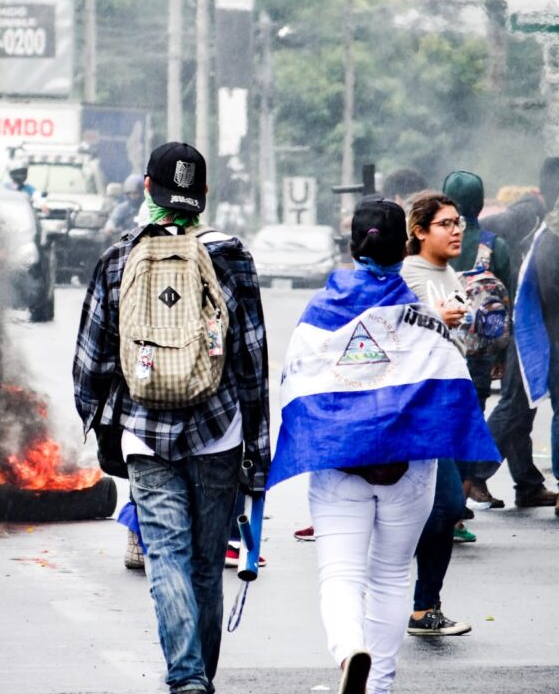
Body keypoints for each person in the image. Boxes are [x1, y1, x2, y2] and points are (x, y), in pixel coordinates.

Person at [269, 196, 499, 694]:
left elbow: (296, 385)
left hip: (340, 467)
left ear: (352, 245)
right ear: (405, 246)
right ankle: (381, 685)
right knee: (393, 575)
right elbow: (451, 390)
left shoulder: (319, 311)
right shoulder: (424, 316)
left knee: (340, 574)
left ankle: (350, 651)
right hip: (409, 471)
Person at [74, 141, 270, 694]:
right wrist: (258, 450)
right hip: (220, 433)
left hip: (146, 435)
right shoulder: (232, 258)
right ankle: (198, 674)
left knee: (165, 556)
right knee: (208, 566)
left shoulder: (118, 259)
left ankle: (186, 678)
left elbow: (90, 362)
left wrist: (102, 423)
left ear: (146, 188)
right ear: (203, 195)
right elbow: (252, 361)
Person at [400, 191, 476, 636]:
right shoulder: (408, 273)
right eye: (445, 223)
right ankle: (420, 606)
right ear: (419, 231)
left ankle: (425, 605)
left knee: (445, 507)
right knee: (445, 503)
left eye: (458, 222)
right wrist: (433, 316)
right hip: (420, 406)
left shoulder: (451, 274)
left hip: (452, 403)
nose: (456, 230)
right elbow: (391, 324)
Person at [484, 158, 559, 509]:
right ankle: (468, 476)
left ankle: (527, 483)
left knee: (522, 406)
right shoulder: (532, 212)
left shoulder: (544, 215)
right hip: (522, 323)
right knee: (515, 405)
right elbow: (486, 229)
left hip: (526, 323)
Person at [441, 171, 512, 510]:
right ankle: (459, 500)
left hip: (441, 350)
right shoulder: (494, 246)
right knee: (472, 420)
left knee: (442, 421)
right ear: (482, 203)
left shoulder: (434, 240)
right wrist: (502, 355)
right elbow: (506, 303)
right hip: (480, 353)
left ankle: (442, 499)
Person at [103, 173, 146, 237]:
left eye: (135, 193)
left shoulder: (148, 208)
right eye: (130, 194)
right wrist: (110, 227)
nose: (132, 196)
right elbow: (113, 220)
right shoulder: (122, 208)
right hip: (127, 242)